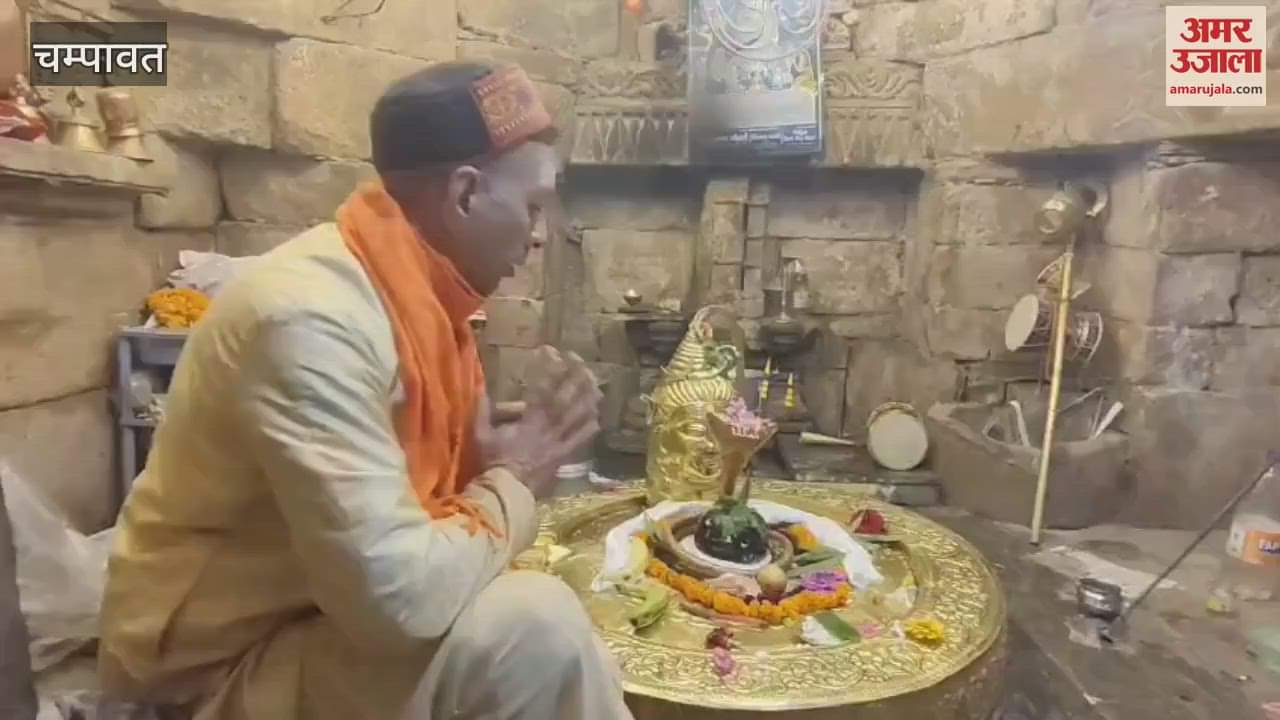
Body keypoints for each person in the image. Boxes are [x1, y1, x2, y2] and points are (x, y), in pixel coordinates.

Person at [98, 62, 635, 720]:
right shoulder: (308, 318)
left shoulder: (420, 300)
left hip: (311, 623)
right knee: (535, 630)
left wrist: (480, 466)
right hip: (211, 673)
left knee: (538, 604)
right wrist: (516, 478)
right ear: (465, 195)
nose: (539, 234)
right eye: (532, 207)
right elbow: (401, 606)